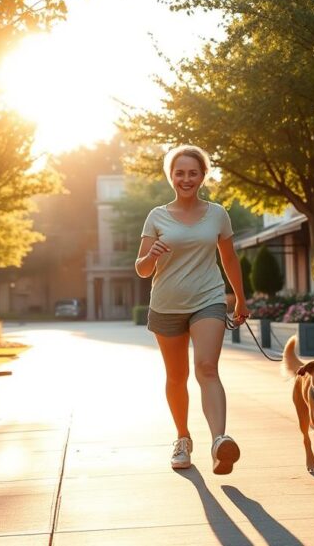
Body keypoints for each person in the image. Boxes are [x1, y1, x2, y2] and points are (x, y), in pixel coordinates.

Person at [135, 145, 249, 475]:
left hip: (208, 299)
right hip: (166, 304)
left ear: (203, 176)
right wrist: (152, 255)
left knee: (207, 367)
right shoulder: (156, 216)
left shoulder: (217, 214)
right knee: (177, 376)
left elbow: (228, 259)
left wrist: (239, 298)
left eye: (193, 172)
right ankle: (182, 439)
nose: (186, 178)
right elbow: (141, 269)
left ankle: (219, 442)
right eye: (180, 172)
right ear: (171, 176)